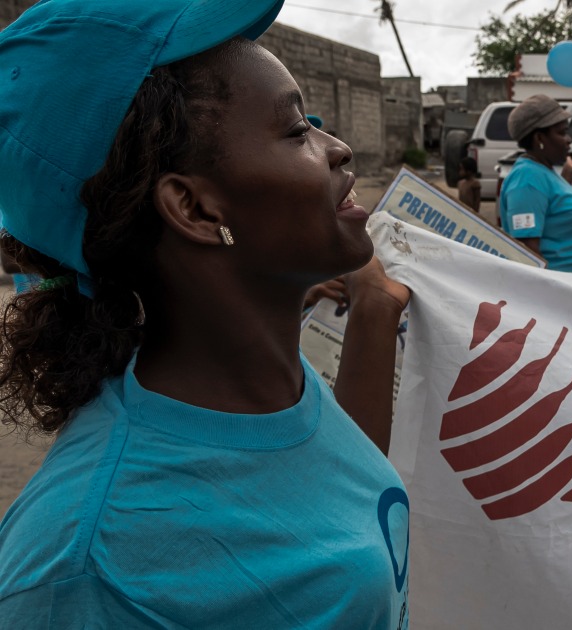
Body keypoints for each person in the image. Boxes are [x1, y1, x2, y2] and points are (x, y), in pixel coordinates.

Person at [0, 1, 412, 626]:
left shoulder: (264, 384)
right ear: (194, 209)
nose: (339, 148)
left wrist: (375, 312)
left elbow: (336, 499)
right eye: (298, 130)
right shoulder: (87, 567)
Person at [499, 94, 572, 273]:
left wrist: (567, 174)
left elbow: (554, 208)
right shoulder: (526, 180)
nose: (569, 139)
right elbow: (527, 251)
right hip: (559, 291)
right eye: (561, 132)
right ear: (539, 139)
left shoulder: (543, 170)